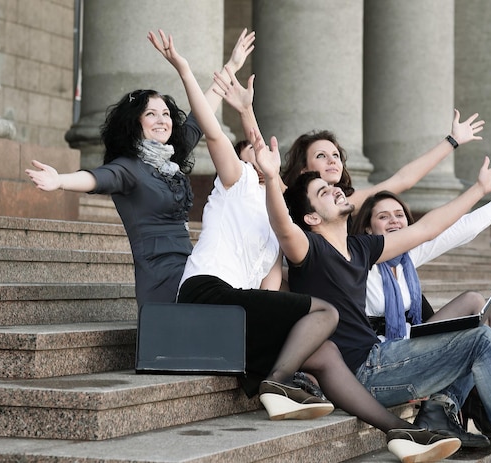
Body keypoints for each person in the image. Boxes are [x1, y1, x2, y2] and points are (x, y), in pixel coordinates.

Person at [170, 38, 465, 463]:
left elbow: (271, 284)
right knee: (324, 312)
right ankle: (278, 383)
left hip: (238, 310)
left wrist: (449, 143)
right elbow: (220, 132)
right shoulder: (235, 182)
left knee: (324, 349)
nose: (259, 152)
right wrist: (195, 73)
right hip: (206, 292)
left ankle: (400, 433)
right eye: (253, 150)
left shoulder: (287, 218)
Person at [250, 126, 491, 463]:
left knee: (474, 329)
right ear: (311, 216)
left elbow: (427, 228)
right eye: (323, 192)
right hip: (363, 371)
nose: (335, 190)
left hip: (382, 358)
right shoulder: (309, 250)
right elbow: (283, 225)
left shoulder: (361, 248)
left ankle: (488, 432)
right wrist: (272, 176)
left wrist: (482, 189)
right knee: (479, 339)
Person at [24, 29, 256, 309]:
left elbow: (201, 114)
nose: (162, 120)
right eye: (151, 114)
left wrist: (231, 66)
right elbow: (95, 178)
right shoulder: (129, 168)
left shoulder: (171, 160)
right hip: (162, 279)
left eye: (166, 114)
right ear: (135, 124)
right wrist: (59, 180)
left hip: (192, 266)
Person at [351, 183, 491, 446]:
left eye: (399, 214)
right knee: (477, 337)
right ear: (368, 228)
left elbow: (462, 229)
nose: (394, 220)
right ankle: (486, 421)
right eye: (383, 216)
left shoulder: (407, 258)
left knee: (482, 308)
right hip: (384, 358)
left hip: (407, 343)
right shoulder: (359, 261)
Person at [205, 61, 484, 216]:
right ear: (303, 169)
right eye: (321, 156)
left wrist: (452, 141)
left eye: (336, 156)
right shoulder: (290, 195)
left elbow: (402, 180)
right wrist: (245, 111)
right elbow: (262, 148)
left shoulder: (349, 199)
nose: (332, 161)